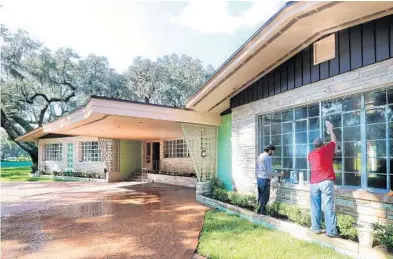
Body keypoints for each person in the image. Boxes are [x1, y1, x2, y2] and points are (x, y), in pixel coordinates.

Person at [308, 120, 338, 237]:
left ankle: (315, 228)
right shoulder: (327, 149)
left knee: (315, 206)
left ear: (314, 145)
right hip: (325, 182)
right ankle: (330, 231)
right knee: (328, 206)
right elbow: (334, 141)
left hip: (314, 183)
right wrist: (330, 129)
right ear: (323, 144)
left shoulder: (311, 154)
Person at [256, 144, 283, 214]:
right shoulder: (268, 157)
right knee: (265, 196)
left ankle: (258, 210)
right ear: (270, 150)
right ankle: (262, 212)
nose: (273, 153)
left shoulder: (260, 156)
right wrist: (279, 174)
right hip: (265, 179)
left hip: (259, 178)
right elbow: (270, 172)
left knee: (261, 195)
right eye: (273, 151)